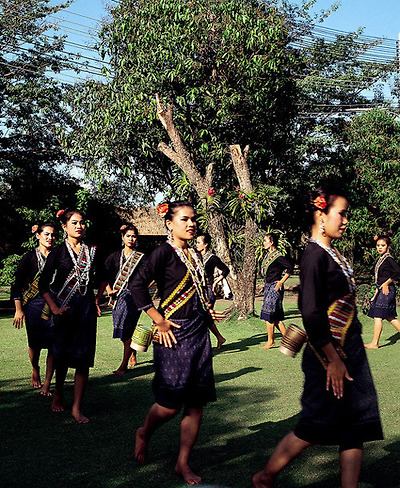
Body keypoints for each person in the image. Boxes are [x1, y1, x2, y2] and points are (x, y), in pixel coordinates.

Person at [253, 186, 383, 488]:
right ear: (321, 215)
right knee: (313, 425)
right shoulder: (313, 256)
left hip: (350, 352)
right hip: (328, 356)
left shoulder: (332, 253)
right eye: (342, 213)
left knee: (356, 424)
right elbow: (311, 313)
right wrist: (334, 359)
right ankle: (265, 476)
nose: (346, 220)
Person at [132, 201, 224, 486]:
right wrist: (158, 319)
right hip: (172, 335)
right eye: (184, 219)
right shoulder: (161, 253)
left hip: (198, 334)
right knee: (170, 404)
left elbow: (196, 295)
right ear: (170, 224)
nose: (191, 223)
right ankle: (144, 432)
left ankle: (182, 463)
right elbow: (136, 286)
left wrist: (208, 315)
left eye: (193, 219)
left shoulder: (196, 256)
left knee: (196, 404)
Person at [39, 209, 98, 423]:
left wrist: (97, 300)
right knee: (62, 358)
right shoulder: (58, 252)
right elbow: (42, 284)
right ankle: (58, 394)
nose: (79, 226)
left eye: (82, 222)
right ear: (64, 226)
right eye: (74, 223)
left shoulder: (91, 251)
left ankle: (76, 407)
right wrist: (54, 308)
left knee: (83, 360)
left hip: (86, 313)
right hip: (65, 312)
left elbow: (97, 279)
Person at [12, 223, 56, 396]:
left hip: (55, 305)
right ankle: (35, 369)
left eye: (52, 235)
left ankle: (47, 382)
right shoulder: (28, 258)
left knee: (54, 345)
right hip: (34, 305)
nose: (50, 238)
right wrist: (18, 309)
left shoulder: (58, 256)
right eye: (46, 234)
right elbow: (17, 284)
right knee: (35, 344)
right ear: (38, 235)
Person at [96, 223, 144, 374]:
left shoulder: (141, 258)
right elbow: (105, 275)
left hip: (133, 298)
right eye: (128, 236)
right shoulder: (114, 256)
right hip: (117, 297)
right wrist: (109, 290)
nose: (131, 239)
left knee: (126, 329)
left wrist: (142, 289)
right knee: (124, 329)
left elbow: (151, 276)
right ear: (123, 237)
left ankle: (123, 366)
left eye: (134, 236)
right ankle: (132, 352)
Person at [365, 234, 400, 349]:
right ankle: (374, 342)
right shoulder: (382, 258)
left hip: (387, 290)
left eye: (383, 245)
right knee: (389, 317)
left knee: (378, 316)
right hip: (382, 290)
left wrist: (386, 283)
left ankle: (375, 343)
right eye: (378, 245)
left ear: (388, 246)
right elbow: (379, 279)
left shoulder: (389, 258)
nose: (380, 247)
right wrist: (375, 294)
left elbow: (397, 271)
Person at [259, 233, 293, 349]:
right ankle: (289, 341)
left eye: (265, 240)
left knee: (268, 314)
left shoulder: (278, 256)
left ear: (272, 242)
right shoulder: (267, 256)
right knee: (276, 318)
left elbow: (290, 267)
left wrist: (281, 282)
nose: (263, 243)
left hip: (275, 287)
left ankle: (270, 341)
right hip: (268, 286)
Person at [195, 232, 228, 349]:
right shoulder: (196, 257)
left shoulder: (212, 258)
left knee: (205, 317)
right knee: (204, 317)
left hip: (208, 291)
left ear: (206, 244)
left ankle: (207, 344)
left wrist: (215, 282)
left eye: (199, 242)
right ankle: (219, 338)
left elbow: (225, 270)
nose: (196, 244)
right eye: (196, 242)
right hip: (199, 290)